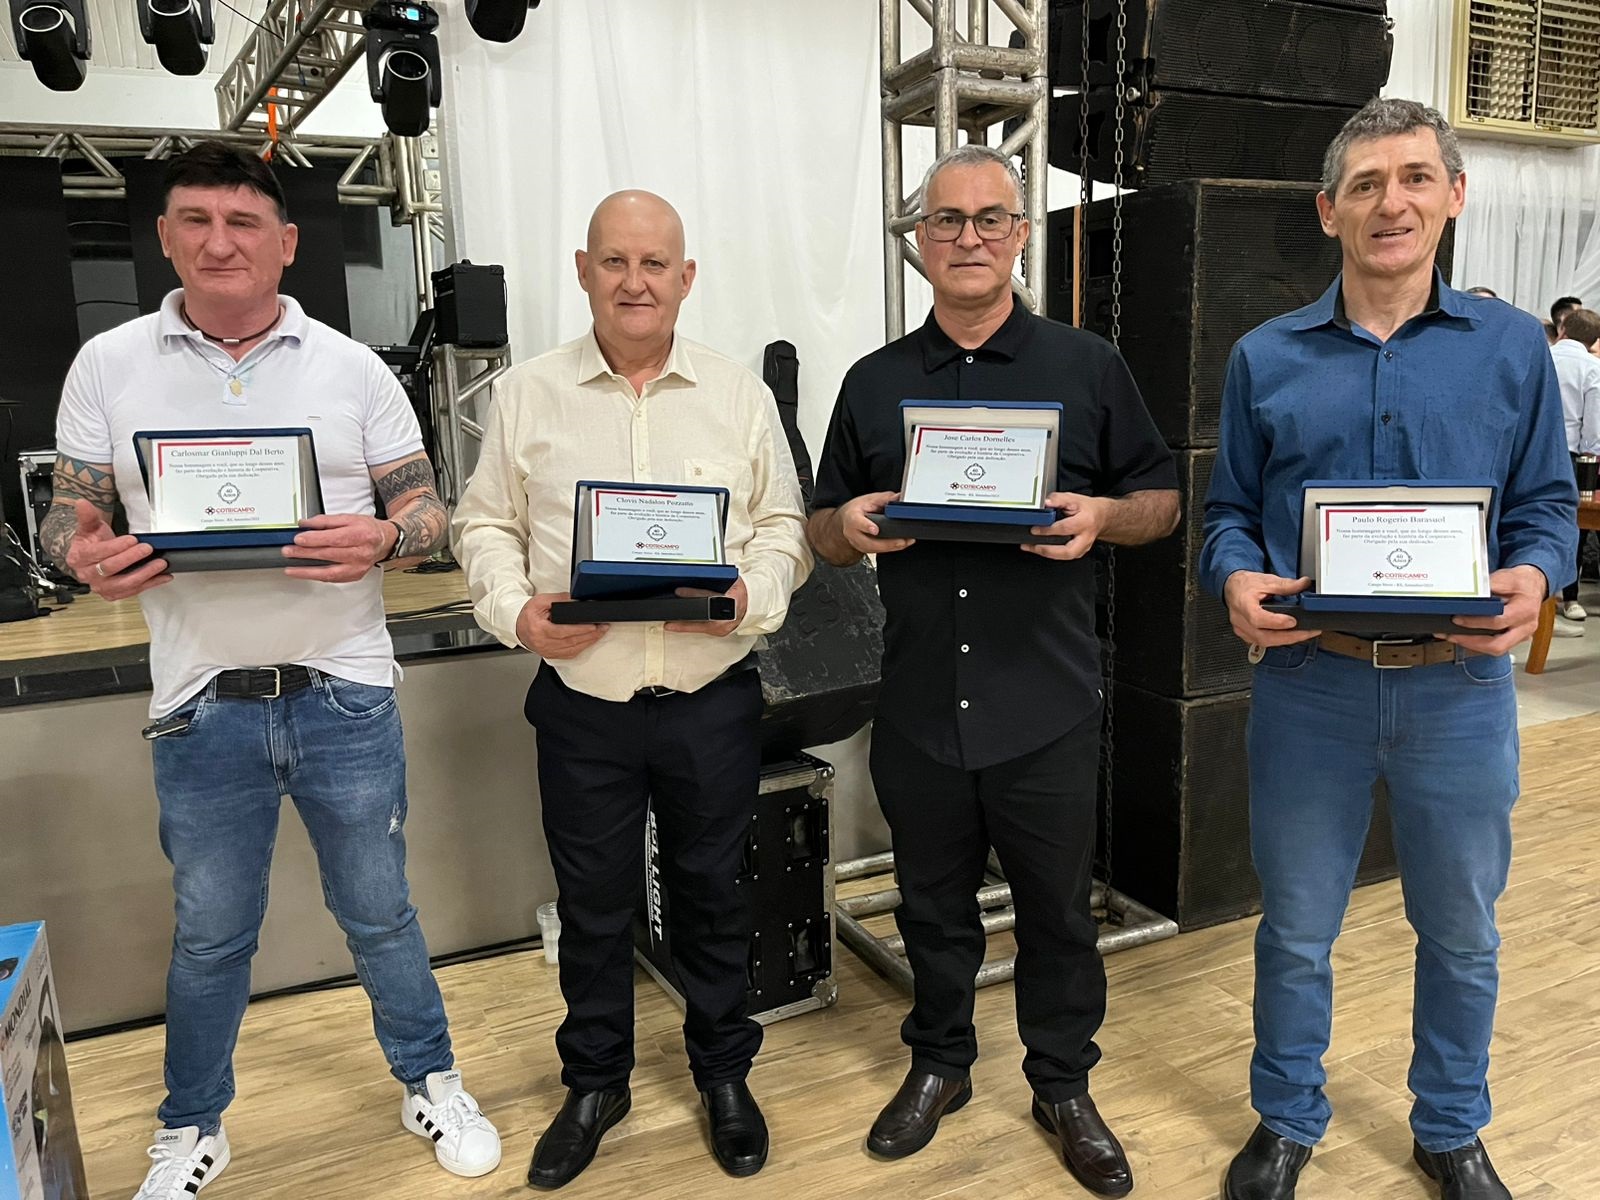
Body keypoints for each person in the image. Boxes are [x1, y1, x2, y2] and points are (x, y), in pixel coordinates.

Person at [41, 141, 502, 1200]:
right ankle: (191, 1125)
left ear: (286, 243)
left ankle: (431, 1080)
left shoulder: (353, 370)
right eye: (196, 221)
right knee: (211, 935)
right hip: (199, 703)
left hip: (345, 691)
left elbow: (426, 508)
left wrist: (387, 540)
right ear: (166, 238)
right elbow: (70, 510)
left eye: (243, 222)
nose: (220, 242)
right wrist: (81, 552)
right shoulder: (108, 365)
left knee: (381, 912)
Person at [1202, 99, 1577, 1200]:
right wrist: (1232, 576)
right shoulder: (1264, 356)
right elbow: (1228, 513)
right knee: (1294, 930)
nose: (1390, 202)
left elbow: (1547, 508)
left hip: (1460, 690)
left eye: (1414, 177)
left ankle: (1451, 1128)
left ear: (1453, 196)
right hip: (1307, 687)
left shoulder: (1512, 349)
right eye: (1364, 184)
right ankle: (1286, 1118)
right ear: (1328, 211)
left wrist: (1534, 577)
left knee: (1461, 933)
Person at [808, 144, 1179, 1198]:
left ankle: (1062, 1085)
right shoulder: (872, 383)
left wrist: (1103, 515)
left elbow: (1160, 501)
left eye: (988, 219)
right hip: (919, 706)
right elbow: (822, 526)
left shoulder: (1087, 367)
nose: (967, 237)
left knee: (1058, 915)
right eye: (946, 220)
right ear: (919, 240)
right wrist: (847, 526)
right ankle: (941, 1062)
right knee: (932, 908)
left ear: (1019, 235)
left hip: (1045, 704)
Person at [452, 190, 811, 1190]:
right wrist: (516, 612)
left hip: (710, 700)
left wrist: (752, 596)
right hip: (584, 704)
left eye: (655, 264)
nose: (635, 281)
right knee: (593, 907)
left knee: (713, 898)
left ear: (685, 277)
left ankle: (723, 1075)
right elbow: (482, 525)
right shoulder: (526, 395)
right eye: (615, 261)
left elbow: (783, 527)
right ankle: (595, 1083)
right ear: (583, 271)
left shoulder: (738, 394)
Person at [1551, 307, 1600, 626]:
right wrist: (1590, 455)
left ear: (1562, 329)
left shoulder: (1543, 355)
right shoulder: (1593, 368)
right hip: (1569, 455)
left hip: (1525, 450)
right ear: (1594, 341)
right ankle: (1570, 597)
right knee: (1574, 525)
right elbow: (1594, 425)